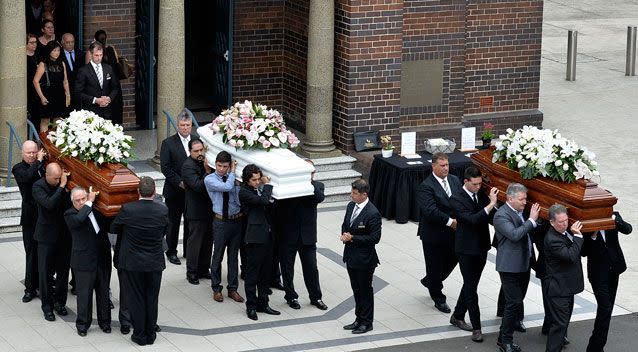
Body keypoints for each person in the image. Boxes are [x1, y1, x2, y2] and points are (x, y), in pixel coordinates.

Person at [110, 177, 168, 346]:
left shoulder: (128, 209)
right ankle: (151, 334)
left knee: (136, 298)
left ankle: (140, 335)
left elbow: (114, 228)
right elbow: (165, 230)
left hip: (133, 262)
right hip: (154, 261)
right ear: (154, 192)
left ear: (137, 192)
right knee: (152, 297)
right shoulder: (162, 210)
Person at [448, 166, 498, 342]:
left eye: (480, 184)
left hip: (481, 247)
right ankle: (477, 328)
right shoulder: (456, 198)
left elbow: (490, 218)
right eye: (475, 184)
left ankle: (457, 315)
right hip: (466, 250)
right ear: (466, 182)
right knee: (471, 288)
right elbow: (472, 219)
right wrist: (491, 204)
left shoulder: (481, 194)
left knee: (471, 284)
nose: (478, 187)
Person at [274, 159, 328, 311]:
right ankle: (291, 296)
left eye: (310, 172)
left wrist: (306, 182)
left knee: (311, 268)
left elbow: (319, 197)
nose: (308, 174)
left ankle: (316, 297)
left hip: (307, 237)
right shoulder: (288, 187)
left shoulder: (317, 186)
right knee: (287, 268)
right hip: (288, 235)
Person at [493, 183, 539, 352]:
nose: (525, 202)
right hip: (509, 267)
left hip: (523, 264)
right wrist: (532, 220)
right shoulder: (501, 215)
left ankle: (502, 337)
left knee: (516, 301)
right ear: (509, 198)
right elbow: (514, 235)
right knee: (513, 303)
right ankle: (505, 341)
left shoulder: (520, 212)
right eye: (521, 199)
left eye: (526, 198)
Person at [64, 186, 112, 336]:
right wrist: (89, 203)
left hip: (102, 258)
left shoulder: (96, 210)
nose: (80, 202)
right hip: (84, 261)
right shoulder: (70, 214)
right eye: (77, 200)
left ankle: (105, 323)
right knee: (84, 295)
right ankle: (83, 325)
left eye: (83, 199)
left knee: (103, 293)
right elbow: (79, 220)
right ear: (72, 202)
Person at [416, 152, 461, 312]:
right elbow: (430, 211)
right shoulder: (426, 186)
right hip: (433, 234)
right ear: (433, 166)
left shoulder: (455, 180)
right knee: (434, 265)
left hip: (453, 233)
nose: (446, 168)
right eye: (442, 166)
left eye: (447, 165)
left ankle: (431, 281)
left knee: (454, 257)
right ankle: (438, 297)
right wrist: (450, 222)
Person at [582, 211, 632, 352]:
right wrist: (593, 236)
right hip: (598, 274)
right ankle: (594, 347)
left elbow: (628, 230)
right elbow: (583, 251)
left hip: (614, 269)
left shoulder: (614, 216)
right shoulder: (587, 222)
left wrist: (616, 221)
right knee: (605, 308)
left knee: (607, 310)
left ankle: (598, 346)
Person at [239, 164, 280, 320]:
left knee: (265, 272)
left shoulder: (259, 189)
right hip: (254, 238)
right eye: (254, 180)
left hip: (267, 236)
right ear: (247, 180)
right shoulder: (244, 192)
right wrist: (267, 184)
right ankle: (251, 306)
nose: (257, 182)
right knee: (252, 274)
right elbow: (262, 202)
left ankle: (263, 303)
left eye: (258, 179)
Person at [340, 179, 381, 334]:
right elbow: (345, 224)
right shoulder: (351, 206)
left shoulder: (372, 213)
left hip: (365, 259)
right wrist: (344, 234)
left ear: (364, 195)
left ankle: (367, 322)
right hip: (351, 256)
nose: (352, 195)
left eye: (355, 193)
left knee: (365, 290)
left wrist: (353, 238)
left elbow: (375, 238)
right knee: (356, 289)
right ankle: (358, 318)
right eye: (352, 192)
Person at [32, 162, 71, 322]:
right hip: (46, 237)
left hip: (63, 235)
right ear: (47, 175)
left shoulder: (63, 184)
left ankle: (60, 303)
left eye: (59, 178)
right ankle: (47, 307)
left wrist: (65, 189)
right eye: (55, 178)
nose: (57, 180)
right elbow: (49, 204)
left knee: (63, 272)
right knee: (45, 273)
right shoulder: (37, 187)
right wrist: (61, 187)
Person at [204, 151, 244, 303]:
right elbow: (227, 187)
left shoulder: (234, 179)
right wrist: (233, 172)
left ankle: (232, 289)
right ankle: (216, 288)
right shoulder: (210, 179)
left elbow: (238, 198)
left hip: (236, 221)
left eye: (225, 166)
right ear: (215, 164)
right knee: (218, 255)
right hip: (220, 222)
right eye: (219, 165)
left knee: (233, 256)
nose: (221, 169)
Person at [543, 204, 584, 352]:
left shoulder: (565, 233)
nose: (565, 224)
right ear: (552, 222)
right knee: (559, 326)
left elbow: (578, 251)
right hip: (558, 290)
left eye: (566, 220)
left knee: (563, 323)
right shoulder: (553, 239)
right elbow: (571, 256)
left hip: (566, 288)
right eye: (561, 222)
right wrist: (578, 236)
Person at [11, 140, 46, 302]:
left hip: (45, 217)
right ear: (22, 153)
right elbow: (26, 178)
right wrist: (38, 161)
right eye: (29, 153)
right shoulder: (18, 168)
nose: (32, 155)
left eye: (34, 152)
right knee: (31, 253)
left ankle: (44, 283)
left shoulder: (43, 166)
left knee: (44, 253)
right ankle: (30, 289)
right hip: (30, 218)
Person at [160, 109, 195, 265]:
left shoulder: (196, 141)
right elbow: (165, 168)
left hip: (193, 191)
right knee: (173, 223)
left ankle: (188, 250)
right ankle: (172, 252)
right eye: (182, 125)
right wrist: (180, 182)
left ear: (191, 126)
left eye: (187, 125)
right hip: (174, 191)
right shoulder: (168, 143)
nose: (185, 128)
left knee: (190, 221)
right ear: (178, 125)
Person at [181, 139, 214, 285]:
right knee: (195, 242)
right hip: (196, 211)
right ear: (190, 152)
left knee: (208, 241)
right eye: (196, 151)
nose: (200, 153)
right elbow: (199, 186)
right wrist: (207, 172)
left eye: (201, 150)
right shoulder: (187, 166)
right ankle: (192, 272)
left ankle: (204, 269)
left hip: (209, 209)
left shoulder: (205, 161)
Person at [75, 41, 120, 122]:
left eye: (101, 55)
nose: (99, 58)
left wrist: (108, 98)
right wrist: (95, 100)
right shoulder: (83, 71)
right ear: (91, 54)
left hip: (107, 110)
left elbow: (115, 87)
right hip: (91, 111)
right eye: (96, 55)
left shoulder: (108, 68)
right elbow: (78, 92)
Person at [86, 30, 124, 124]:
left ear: (94, 39)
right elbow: (117, 64)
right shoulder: (111, 49)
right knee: (115, 109)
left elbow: (88, 69)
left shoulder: (92, 53)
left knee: (102, 112)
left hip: (101, 85)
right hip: (114, 84)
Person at [33, 40, 70, 132]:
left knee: (58, 120)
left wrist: (68, 95)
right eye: (54, 50)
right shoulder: (43, 64)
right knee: (45, 120)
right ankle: (44, 143)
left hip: (60, 94)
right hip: (47, 93)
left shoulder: (62, 63)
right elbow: (35, 81)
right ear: (49, 51)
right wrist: (42, 97)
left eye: (58, 50)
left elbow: (65, 81)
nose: (56, 53)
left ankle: (54, 143)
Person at [61, 33, 83, 110]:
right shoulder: (59, 54)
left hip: (78, 89)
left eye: (72, 42)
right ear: (62, 43)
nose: (70, 44)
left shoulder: (80, 53)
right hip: (64, 90)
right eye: (67, 42)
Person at [26, 33, 40, 127]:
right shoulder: (22, 57)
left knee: (37, 113)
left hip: (38, 87)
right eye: (31, 42)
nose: (34, 44)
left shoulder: (38, 55)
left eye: (35, 42)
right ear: (26, 44)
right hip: (27, 87)